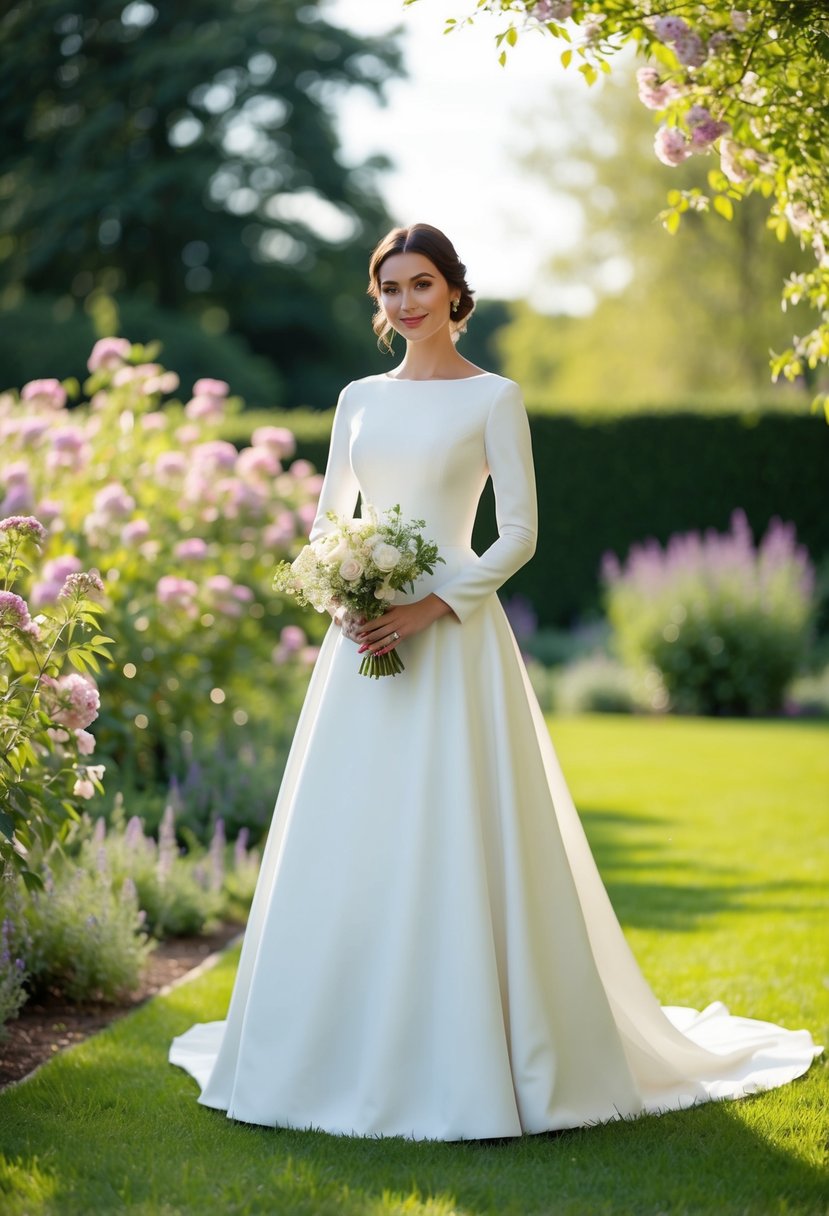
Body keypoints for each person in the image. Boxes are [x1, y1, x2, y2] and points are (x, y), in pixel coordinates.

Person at [169, 223, 820, 1141]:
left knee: (457, 828)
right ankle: (333, 1044)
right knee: (353, 832)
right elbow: (326, 523)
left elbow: (517, 532)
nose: (404, 302)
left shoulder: (493, 398)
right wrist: (343, 600)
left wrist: (432, 606)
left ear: (453, 292)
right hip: (361, 650)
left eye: (421, 284)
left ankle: (474, 1045)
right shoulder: (356, 398)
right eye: (390, 287)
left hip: (454, 647)